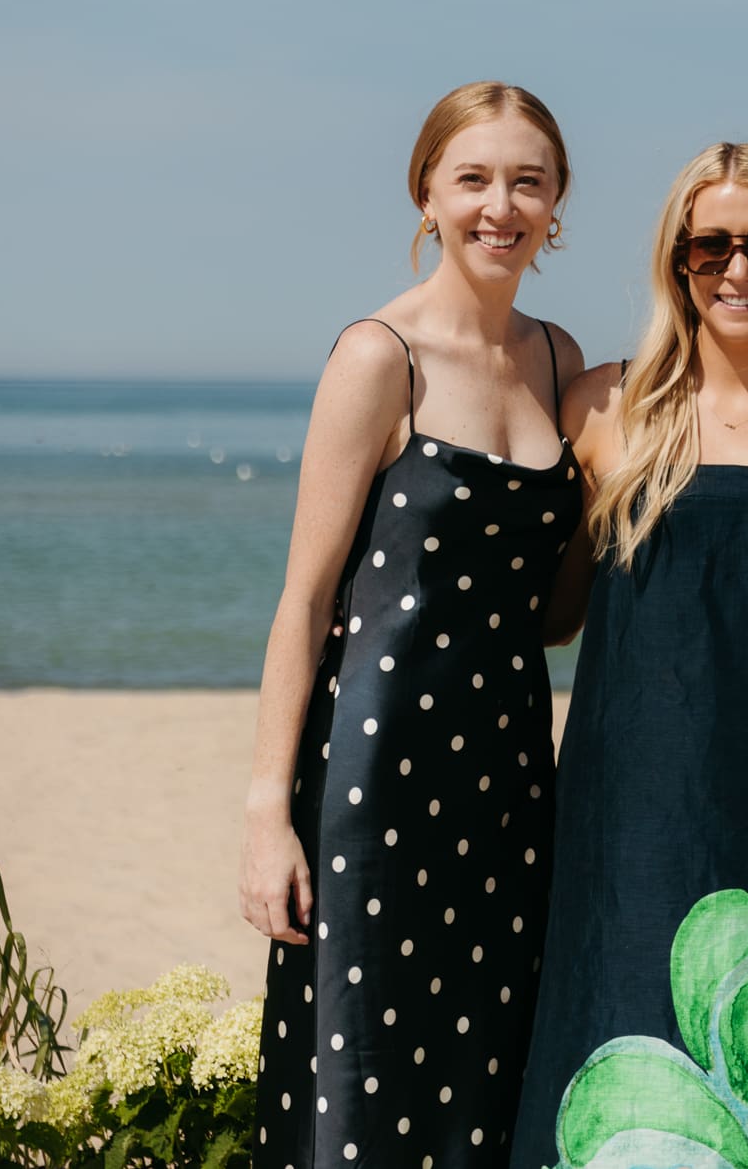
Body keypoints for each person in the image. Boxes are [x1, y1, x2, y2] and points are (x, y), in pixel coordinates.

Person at [238, 81, 587, 1167]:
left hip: (509, 772)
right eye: (473, 178)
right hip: (374, 770)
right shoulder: (375, 356)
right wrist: (264, 815)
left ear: (557, 202)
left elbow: (556, 614)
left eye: (527, 181)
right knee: (364, 1083)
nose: (501, 205)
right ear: (426, 194)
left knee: (487, 1073)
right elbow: (303, 600)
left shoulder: (559, 361)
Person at [507, 144, 748, 1169]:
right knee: (607, 1056)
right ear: (677, 261)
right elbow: (553, 610)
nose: (736, 270)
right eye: (711, 246)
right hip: (623, 813)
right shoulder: (602, 409)